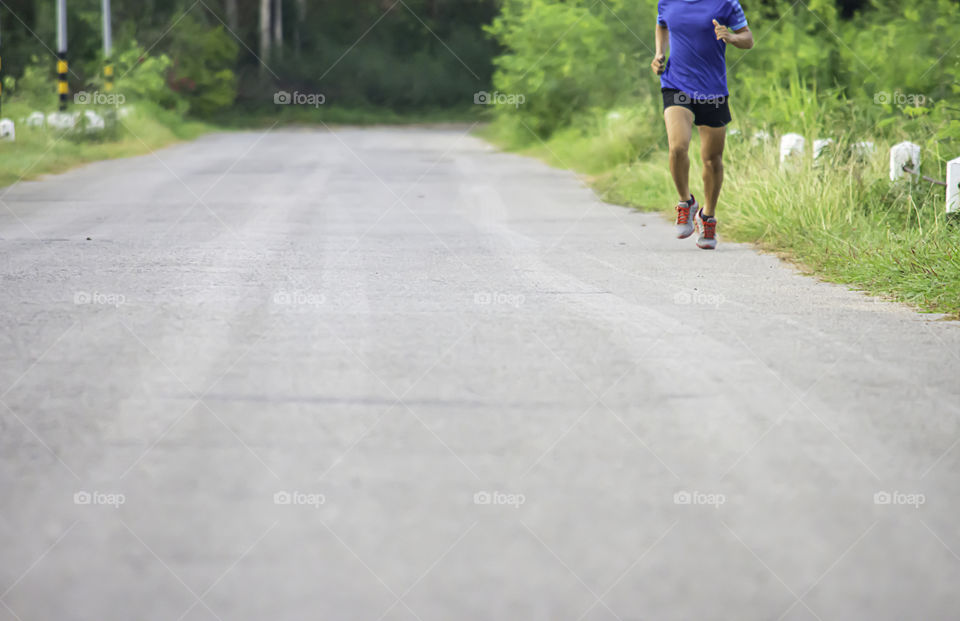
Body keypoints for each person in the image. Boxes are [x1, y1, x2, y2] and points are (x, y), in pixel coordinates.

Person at [651, 0, 754, 249]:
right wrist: (659, 53)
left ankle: (707, 216)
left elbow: (748, 39)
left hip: (712, 89)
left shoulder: (726, 3)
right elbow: (662, 24)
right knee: (677, 146)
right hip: (676, 84)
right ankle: (686, 202)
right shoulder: (667, 2)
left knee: (712, 159)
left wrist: (730, 36)